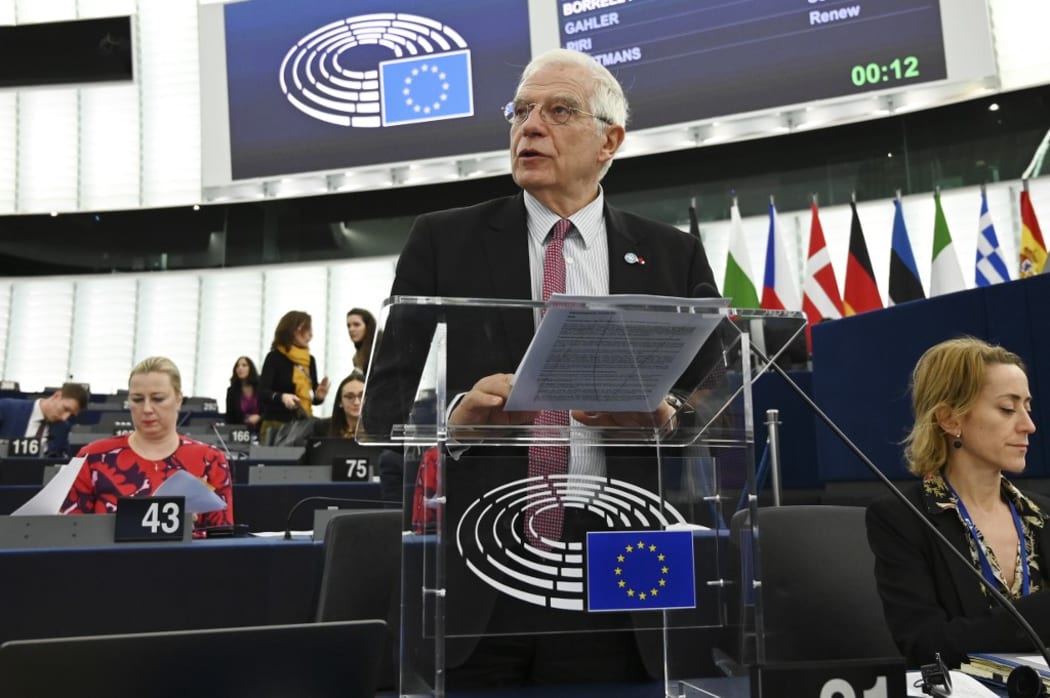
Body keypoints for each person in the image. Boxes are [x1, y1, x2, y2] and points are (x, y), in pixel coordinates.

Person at [365, 48, 717, 687]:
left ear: (610, 140)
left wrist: (667, 416)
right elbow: (383, 405)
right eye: (521, 110)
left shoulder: (672, 255)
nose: (530, 127)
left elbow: (718, 396)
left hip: (625, 549)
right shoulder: (441, 241)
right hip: (483, 550)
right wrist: (453, 426)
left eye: (559, 111)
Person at [867, 337, 1050, 668]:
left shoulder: (1042, 514)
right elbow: (926, 646)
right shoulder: (902, 518)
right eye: (1008, 408)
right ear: (950, 419)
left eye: (1028, 407)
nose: (1029, 425)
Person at [60, 356, 233, 533]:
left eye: (158, 399)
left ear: (179, 400)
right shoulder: (92, 458)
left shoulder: (210, 460)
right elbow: (70, 534)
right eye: (137, 399)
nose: (147, 409)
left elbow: (222, 540)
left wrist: (191, 535)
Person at [258, 310, 330, 445]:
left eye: (310, 330)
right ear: (290, 330)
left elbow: (310, 398)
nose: (310, 335)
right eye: (305, 329)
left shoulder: (310, 360)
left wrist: (318, 396)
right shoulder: (275, 357)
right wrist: (282, 397)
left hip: (303, 425)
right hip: (276, 425)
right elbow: (262, 392)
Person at [0, 382, 89, 457]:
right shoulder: (6, 408)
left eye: (71, 415)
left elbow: (60, 461)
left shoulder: (62, 428)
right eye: (65, 409)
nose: (64, 417)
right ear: (57, 396)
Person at [314, 370, 365, 439]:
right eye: (350, 397)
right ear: (340, 402)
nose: (356, 402)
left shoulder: (382, 429)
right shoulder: (323, 428)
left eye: (362, 396)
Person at [225, 356, 261, 432]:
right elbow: (230, 417)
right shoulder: (232, 391)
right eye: (237, 366)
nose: (240, 368)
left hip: (261, 429)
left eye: (244, 365)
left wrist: (260, 417)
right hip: (240, 432)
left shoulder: (261, 387)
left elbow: (268, 410)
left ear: (251, 369)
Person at [347, 308, 376, 375]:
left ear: (368, 326)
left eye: (356, 325)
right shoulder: (357, 357)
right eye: (348, 326)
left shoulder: (380, 350)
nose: (351, 329)